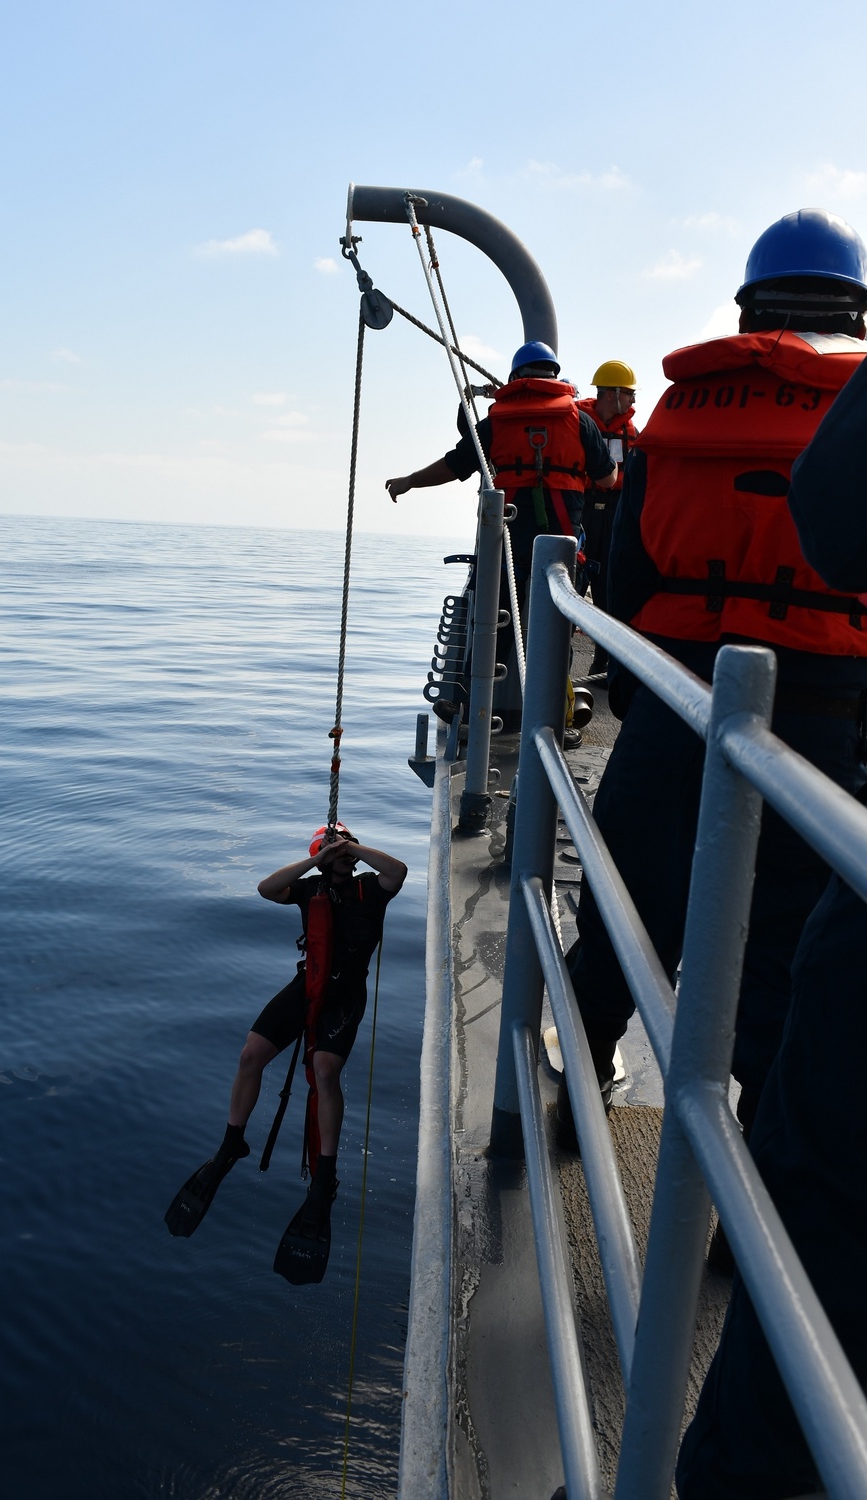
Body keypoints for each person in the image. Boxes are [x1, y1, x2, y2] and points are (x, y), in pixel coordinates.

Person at [559, 209, 867, 1158]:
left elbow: (627, 570)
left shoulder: (678, 409)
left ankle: (577, 1085)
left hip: (677, 699)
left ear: (748, 302)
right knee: (785, 955)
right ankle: (754, 1195)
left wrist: (627, 685)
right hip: (824, 723)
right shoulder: (858, 403)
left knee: (625, 900)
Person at [676, 346, 867, 1499]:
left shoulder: (673, 429)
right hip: (831, 717)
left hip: (714, 704)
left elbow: (834, 518)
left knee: (823, 1223)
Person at [165, 824, 407, 1243]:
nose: (342, 852)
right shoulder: (309, 888)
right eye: (334, 846)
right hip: (307, 985)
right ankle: (231, 1144)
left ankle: (324, 1175)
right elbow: (266, 888)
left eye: (346, 845)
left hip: (345, 995)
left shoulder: (371, 887)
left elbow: (398, 871)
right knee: (250, 1054)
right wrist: (317, 860)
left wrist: (352, 847)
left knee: (324, 1070)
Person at [386, 341, 616, 736]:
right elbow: (608, 478)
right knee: (556, 630)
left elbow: (455, 464)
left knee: (492, 620)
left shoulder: (497, 421)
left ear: (515, 378)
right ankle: (557, 719)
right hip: (559, 546)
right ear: (555, 377)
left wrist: (410, 481)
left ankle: (466, 701)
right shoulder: (579, 421)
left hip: (506, 543)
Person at [577, 360, 639, 673]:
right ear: (612, 394)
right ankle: (556, 660)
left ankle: (603, 661)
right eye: (629, 394)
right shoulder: (577, 421)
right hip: (582, 508)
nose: (633, 401)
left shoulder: (632, 433)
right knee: (573, 581)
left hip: (615, 511)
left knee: (609, 588)